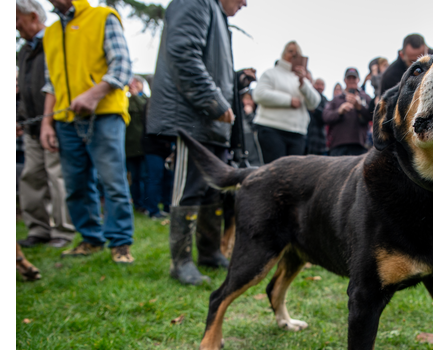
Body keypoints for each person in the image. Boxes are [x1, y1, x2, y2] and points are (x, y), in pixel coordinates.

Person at [145, 0, 250, 285]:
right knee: (188, 190)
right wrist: (213, 100)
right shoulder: (195, 2)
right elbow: (182, 52)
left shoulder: (215, 13)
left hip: (210, 124)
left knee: (210, 190)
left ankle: (210, 252)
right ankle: (180, 262)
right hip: (190, 119)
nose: (245, 3)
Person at [39, 0, 135, 264]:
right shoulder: (51, 31)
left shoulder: (103, 17)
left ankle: (121, 242)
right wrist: (46, 123)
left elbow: (122, 67)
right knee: (75, 185)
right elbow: (51, 82)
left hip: (104, 115)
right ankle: (91, 239)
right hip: (65, 119)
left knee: (112, 181)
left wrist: (94, 95)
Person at [16, 0, 75, 249]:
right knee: (31, 176)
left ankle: (63, 230)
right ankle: (38, 229)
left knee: (56, 175)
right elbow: (24, 88)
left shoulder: (54, 39)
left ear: (32, 16)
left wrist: (47, 122)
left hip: (51, 121)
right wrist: (20, 119)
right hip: (30, 124)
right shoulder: (24, 50)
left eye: (16, 18)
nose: (14, 25)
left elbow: (53, 84)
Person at [251, 41, 321, 163]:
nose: (293, 55)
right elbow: (259, 94)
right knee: (274, 174)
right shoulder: (271, 73)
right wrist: (288, 101)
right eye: (290, 51)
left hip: (298, 133)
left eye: (297, 53)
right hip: (272, 129)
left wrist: (303, 83)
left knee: (293, 177)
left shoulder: (302, 79)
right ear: (283, 53)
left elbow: (314, 103)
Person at [322, 68, 373, 157]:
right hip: (338, 146)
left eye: (354, 78)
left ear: (358, 80)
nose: (352, 80)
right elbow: (325, 116)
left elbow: (373, 115)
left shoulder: (366, 98)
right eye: (349, 78)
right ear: (345, 80)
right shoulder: (336, 99)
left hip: (360, 145)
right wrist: (339, 111)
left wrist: (359, 107)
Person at [125, 77, 149, 215]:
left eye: (137, 82)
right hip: (129, 147)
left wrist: (135, 95)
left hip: (143, 146)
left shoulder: (145, 99)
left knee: (144, 176)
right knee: (134, 178)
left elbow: (144, 110)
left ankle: (145, 204)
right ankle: (137, 204)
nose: (134, 85)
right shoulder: (125, 100)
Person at [305, 75, 329, 156]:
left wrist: (314, 109)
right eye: (317, 84)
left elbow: (325, 117)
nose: (319, 87)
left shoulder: (325, 101)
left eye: (322, 85)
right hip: (306, 139)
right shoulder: (306, 98)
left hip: (320, 141)